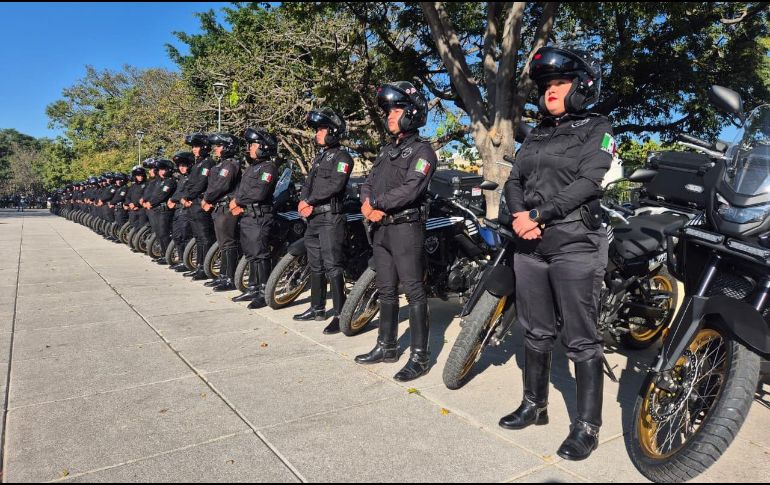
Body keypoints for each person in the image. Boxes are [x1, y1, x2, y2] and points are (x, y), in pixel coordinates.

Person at [499, 46, 613, 462]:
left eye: (560, 83)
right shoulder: (536, 133)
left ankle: (587, 427)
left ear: (581, 88)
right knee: (535, 329)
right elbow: (515, 178)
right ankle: (535, 405)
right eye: (546, 85)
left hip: (574, 243)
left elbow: (590, 182)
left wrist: (541, 214)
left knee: (581, 338)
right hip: (530, 245)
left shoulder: (598, 128)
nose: (550, 91)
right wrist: (518, 215)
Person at [355, 81, 436, 382]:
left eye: (397, 109)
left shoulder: (423, 151)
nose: (390, 115)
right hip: (381, 229)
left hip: (405, 227)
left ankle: (420, 356)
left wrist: (378, 203)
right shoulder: (387, 151)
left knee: (414, 292)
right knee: (386, 289)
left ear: (412, 113)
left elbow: (411, 188)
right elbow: (368, 181)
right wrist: (366, 202)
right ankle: (386, 346)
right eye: (389, 110)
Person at [293, 108, 354, 334]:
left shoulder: (343, 157)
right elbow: (308, 184)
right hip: (314, 218)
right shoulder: (319, 158)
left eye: (320, 129)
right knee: (315, 265)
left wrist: (309, 200)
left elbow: (335, 185)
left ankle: (340, 314)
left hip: (331, 217)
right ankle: (317, 308)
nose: (317, 134)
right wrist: (303, 201)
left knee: (332, 266)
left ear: (333, 131)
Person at [230, 128, 279, 309]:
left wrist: (237, 201)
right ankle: (253, 287)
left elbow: (259, 192)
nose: (250, 147)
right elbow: (243, 190)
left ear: (264, 146)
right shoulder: (253, 167)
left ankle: (264, 291)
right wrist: (236, 202)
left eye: (253, 144)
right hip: (247, 216)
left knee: (260, 254)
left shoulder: (269, 168)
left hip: (260, 216)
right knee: (251, 254)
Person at [201, 133, 242, 291]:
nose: (215, 149)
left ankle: (230, 278)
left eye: (218, 146)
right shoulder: (221, 165)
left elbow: (222, 186)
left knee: (228, 244)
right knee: (223, 244)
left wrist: (207, 198)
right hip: (219, 208)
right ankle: (223, 275)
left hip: (226, 208)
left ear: (227, 147)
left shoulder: (230, 165)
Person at [180, 133, 218, 281]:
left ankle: (205, 267)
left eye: (196, 146)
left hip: (199, 204)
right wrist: (185, 197)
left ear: (204, 147)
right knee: (198, 237)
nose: (194, 150)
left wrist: (188, 196)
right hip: (192, 204)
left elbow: (201, 183)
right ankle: (199, 266)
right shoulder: (198, 164)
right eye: (193, 147)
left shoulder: (208, 163)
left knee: (204, 237)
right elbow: (189, 184)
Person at [144, 159, 177, 265]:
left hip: (164, 211)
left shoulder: (170, 181)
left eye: (164, 169)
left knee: (164, 234)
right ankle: (163, 254)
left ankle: (168, 255)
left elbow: (162, 195)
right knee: (159, 234)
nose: (161, 172)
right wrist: (148, 201)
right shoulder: (159, 181)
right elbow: (153, 194)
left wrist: (151, 203)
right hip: (157, 210)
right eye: (160, 170)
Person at [168, 152, 195, 271]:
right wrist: (172, 199)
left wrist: (175, 199)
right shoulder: (182, 178)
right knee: (177, 236)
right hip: (178, 209)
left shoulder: (192, 177)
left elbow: (187, 192)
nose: (181, 168)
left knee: (185, 236)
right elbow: (178, 192)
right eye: (179, 166)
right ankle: (180, 259)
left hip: (186, 210)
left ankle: (186, 261)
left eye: (184, 165)